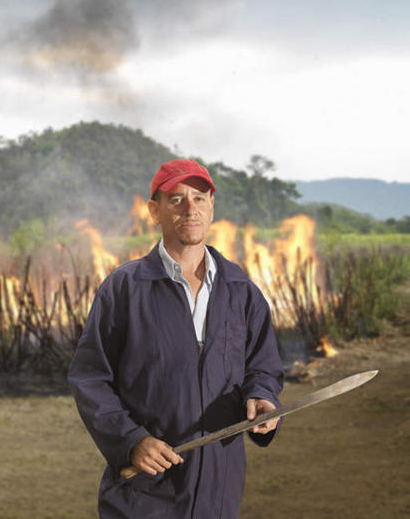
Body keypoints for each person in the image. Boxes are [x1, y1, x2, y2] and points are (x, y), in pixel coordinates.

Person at [67, 159, 284, 518]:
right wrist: (130, 441)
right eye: (176, 199)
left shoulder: (241, 291)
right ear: (154, 211)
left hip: (219, 489)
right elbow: (90, 378)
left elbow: (263, 366)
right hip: (145, 491)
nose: (191, 209)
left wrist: (262, 397)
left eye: (199, 198)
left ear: (212, 205)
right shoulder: (125, 289)